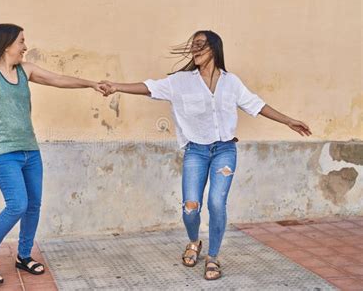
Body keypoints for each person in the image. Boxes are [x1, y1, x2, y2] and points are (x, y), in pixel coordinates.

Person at [99, 30, 312, 280]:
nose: (194, 49)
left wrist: (289, 121)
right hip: (195, 151)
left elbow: (257, 105)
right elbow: (149, 87)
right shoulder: (181, 81)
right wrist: (116, 87)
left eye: (200, 44)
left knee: (216, 202)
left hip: (225, 150)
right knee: (191, 207)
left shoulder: (232, 82)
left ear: (214, 48)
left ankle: (212, 256)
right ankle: (193, 242)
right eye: (193, 45)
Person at [0, 18, 106, 284]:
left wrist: (91, 83)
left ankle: (24, 256)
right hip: (2, 151)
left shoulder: (25, 70)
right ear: (6, 44)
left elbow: (58, 79)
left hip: (30, 150)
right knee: (18, 204)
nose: (25, 46)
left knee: (33, 205)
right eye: (21, 41)